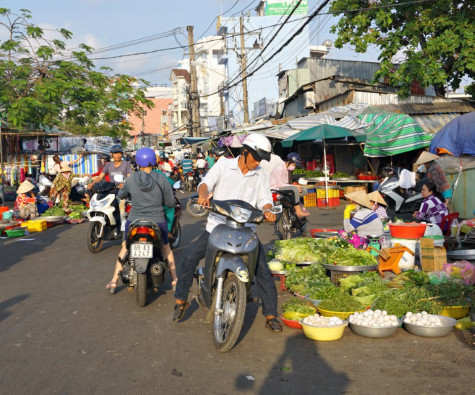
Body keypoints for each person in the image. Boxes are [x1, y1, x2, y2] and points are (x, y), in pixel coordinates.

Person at [172, 133, 282, 332]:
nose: (258, 163)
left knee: (264, 272)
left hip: (247, 229)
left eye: (261, 160)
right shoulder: (223, 164)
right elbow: (205, 183)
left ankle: (271, 314)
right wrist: (204, 196)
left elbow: (265, 199)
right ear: (245, 151)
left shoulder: (260, 174)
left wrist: (268, 210)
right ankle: (181, 300)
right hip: (217, 227)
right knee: (189, 259)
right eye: (256, 157)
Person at [106, 147, 177, 294]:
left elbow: (121, 195)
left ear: (137, 162)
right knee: (166, 247)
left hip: (134, 221)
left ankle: (113, 281)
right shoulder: (162, 178)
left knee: (125, 247)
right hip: (157, 220)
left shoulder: (132, 178)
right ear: (153, 162)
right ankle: (175, 279)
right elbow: (170, 203)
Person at [269, 152, 309, 218]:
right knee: (295, 189)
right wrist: (294, 186)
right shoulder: (280, 168)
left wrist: (294, 185)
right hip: (276, 188)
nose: (294, 167)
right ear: (288, 162)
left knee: (303, 190)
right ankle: (298, 211)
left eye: (295, 165)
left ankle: (296, 205)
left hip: (283, 187)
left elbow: (287, 183)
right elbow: (280, 184)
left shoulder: (288, 170)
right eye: (293, 164)